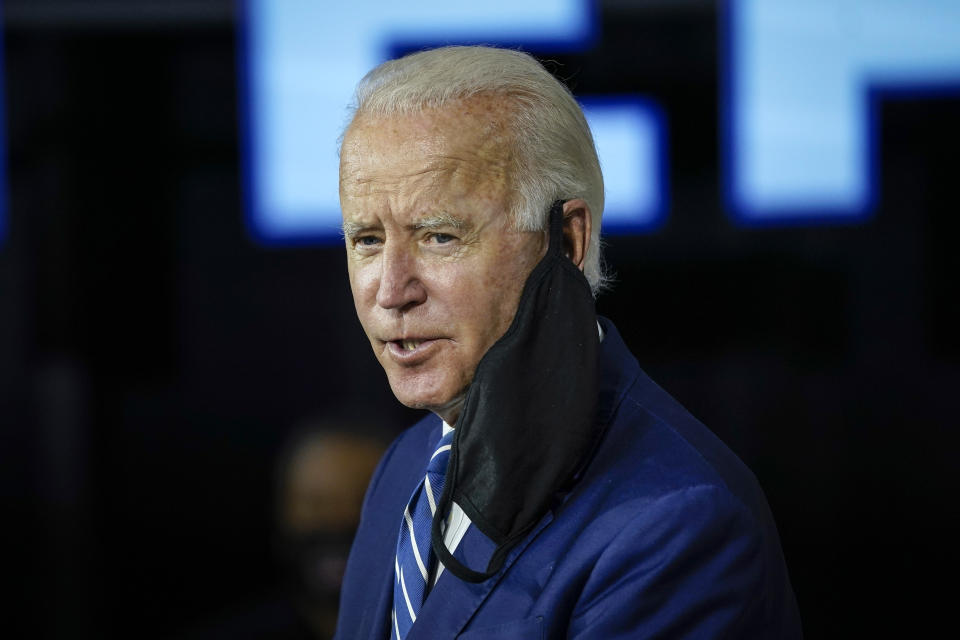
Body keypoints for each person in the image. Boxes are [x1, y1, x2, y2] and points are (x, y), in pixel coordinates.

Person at [335, 46, 802, 639]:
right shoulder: (404, 471)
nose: (392, 289)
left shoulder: (676, 523)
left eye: (439, 237)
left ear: (566, 241)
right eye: (368, 241)